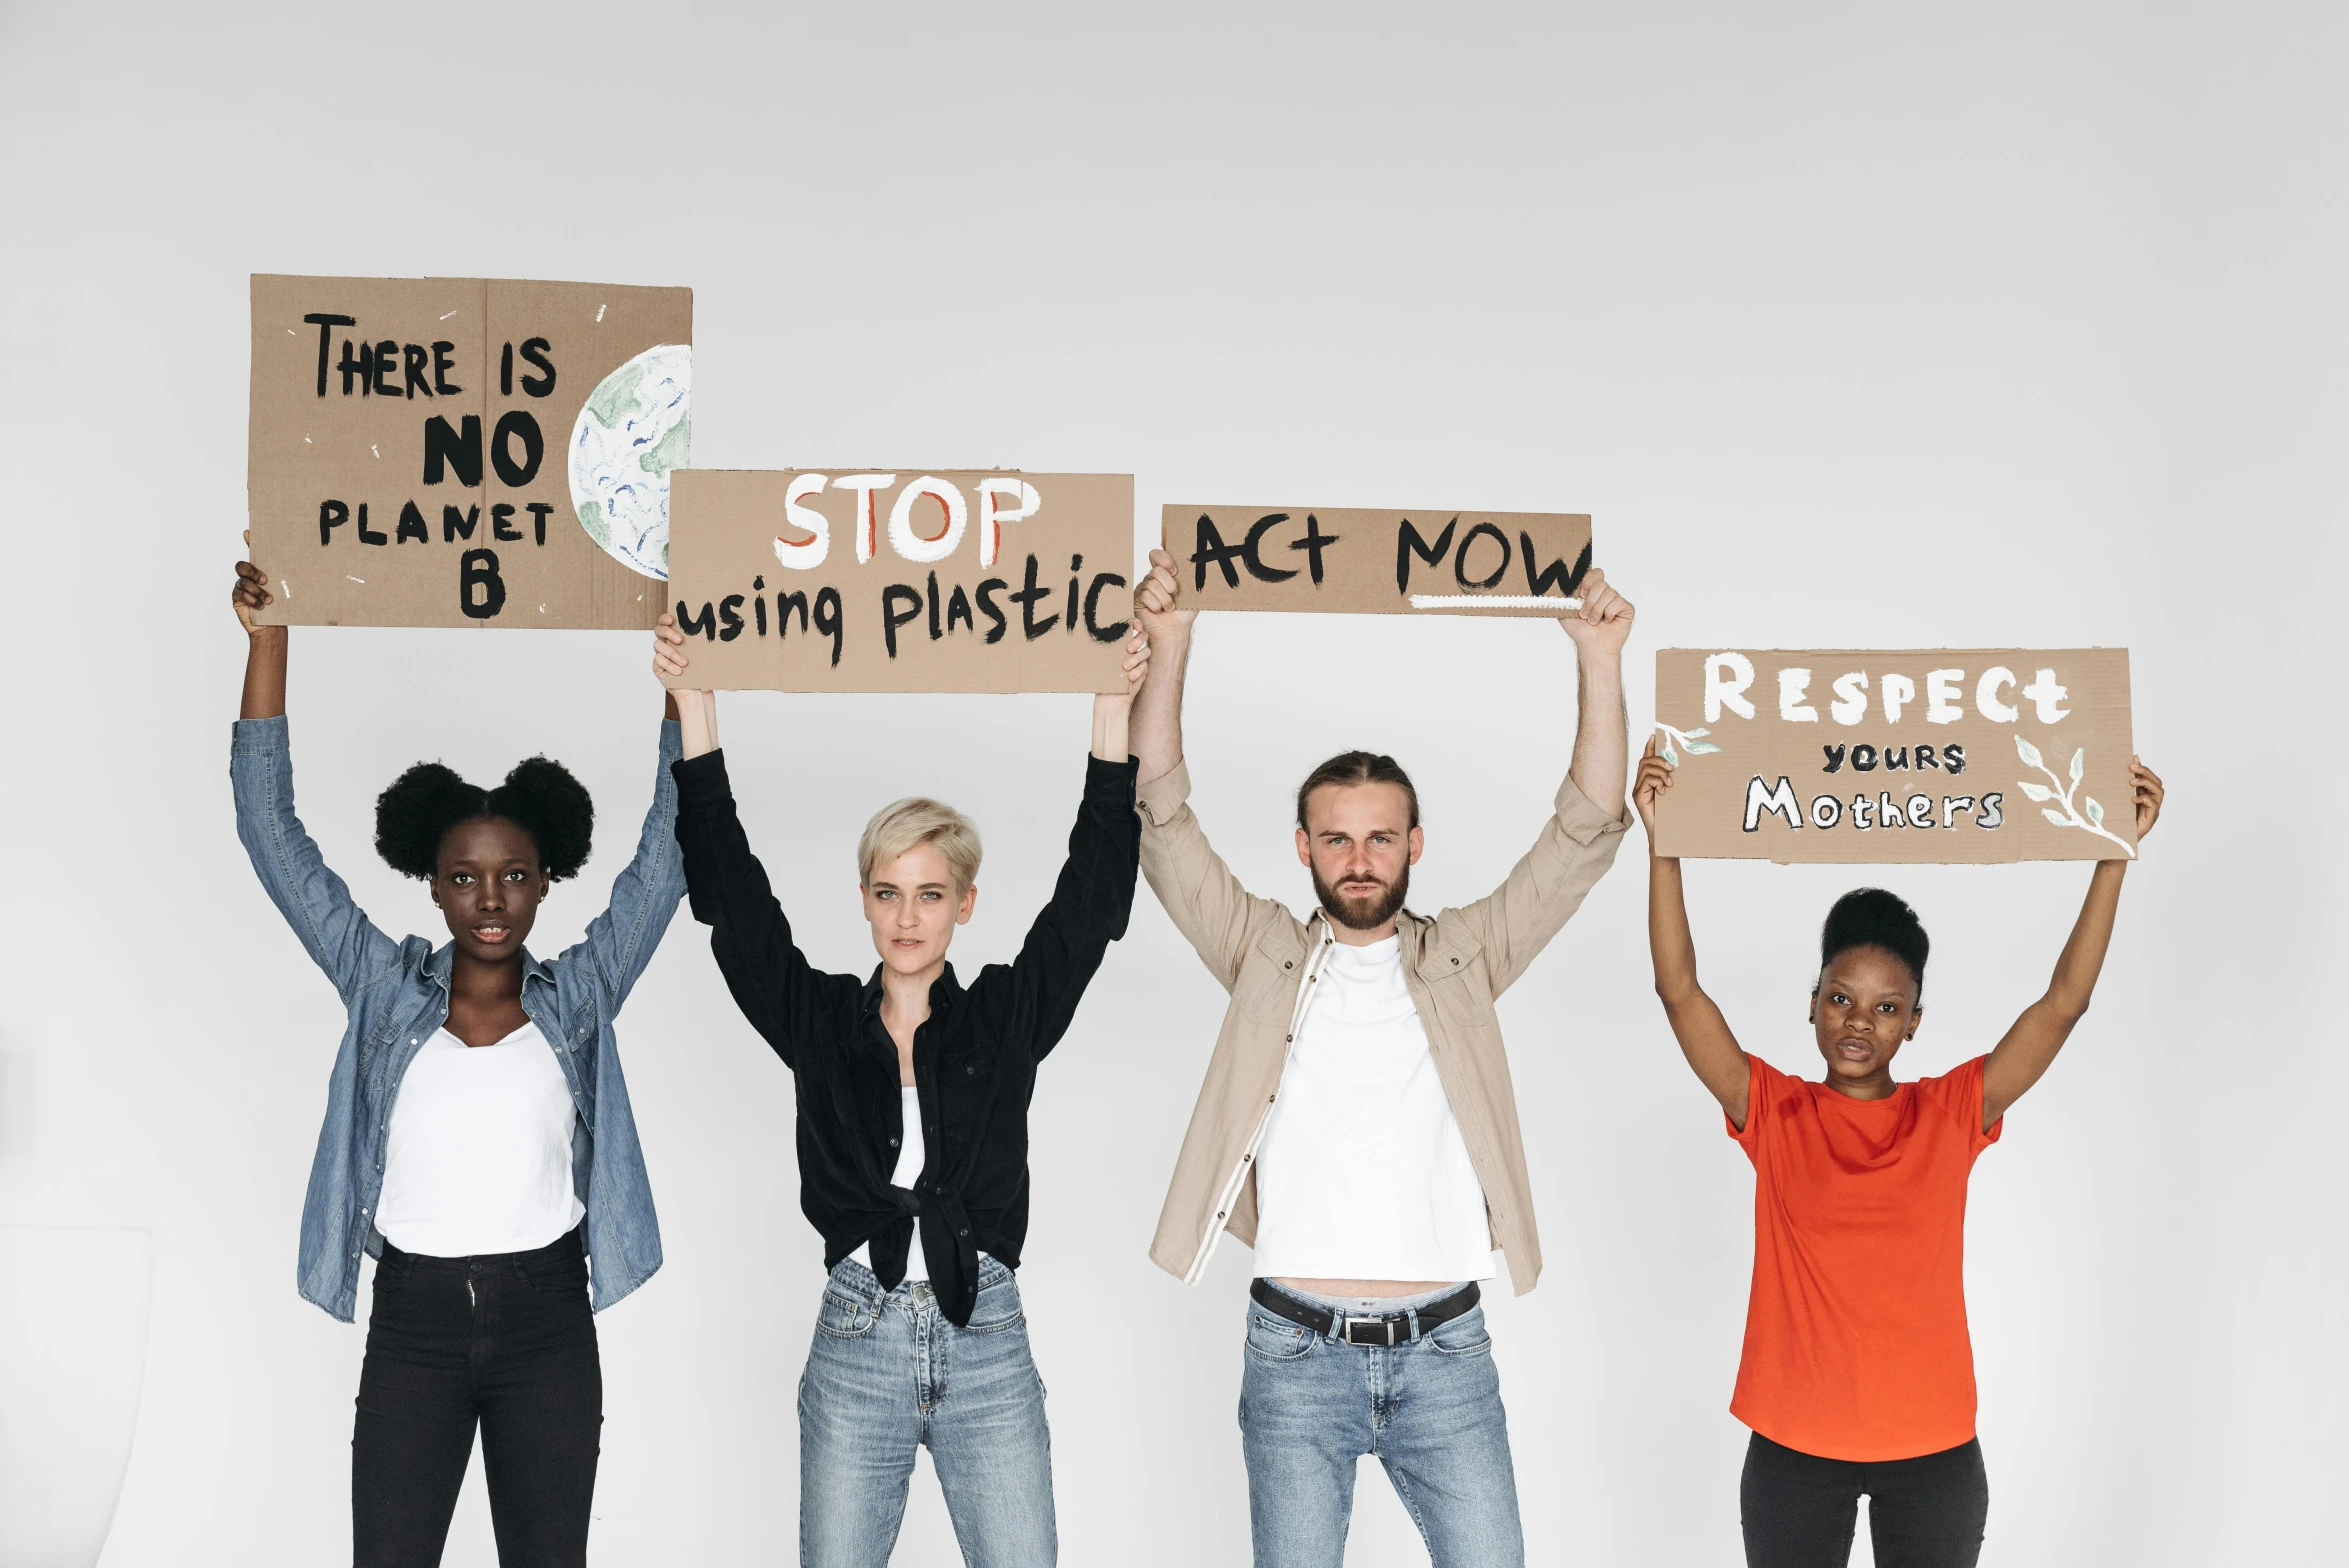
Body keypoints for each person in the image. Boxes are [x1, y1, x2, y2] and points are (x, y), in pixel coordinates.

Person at [1125, 547, 1634, 1567]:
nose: (1361, 856)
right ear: (1305, 846)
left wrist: (1599, 658)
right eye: (1339, 837)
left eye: (1381, 837)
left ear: (1416, 843)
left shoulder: (1467, 955)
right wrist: (1173, 644)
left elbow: (1581, 835)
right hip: (1293, 1350)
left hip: (1446, 1349)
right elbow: (1162, 821)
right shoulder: (1260, 947)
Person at [653, 613, 1149, 1567]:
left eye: (929, 895)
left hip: (987, 1336)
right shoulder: (822, 1023)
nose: (907, 916)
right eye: (887, 892)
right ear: (865, 900)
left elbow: (1090, 902)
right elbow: (734, 905)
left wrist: (1109, 713)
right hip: (856, 1337)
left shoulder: (1004, 1017)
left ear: (964, 904)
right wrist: (696, 709)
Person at [227, 557, 692, 1567]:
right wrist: (271, 639)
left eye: (515, 875)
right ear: (432, 886)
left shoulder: (581, 996)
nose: (492, 898)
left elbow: (669, 852)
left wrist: (681, 686)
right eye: (467, 877)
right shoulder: (381, 985)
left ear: (545, 883)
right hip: (414, 1327)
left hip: (548, 1327)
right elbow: (272, 833)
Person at [1633, 736, 2166, 1567]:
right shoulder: (1770, 1109)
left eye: (1886, 1008)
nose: (1857, 1022)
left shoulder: (1950, 1112)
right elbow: (1678, 990)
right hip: (1793, 1452)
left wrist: (2113, 855)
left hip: (1935, 1458)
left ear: (1913, 1021)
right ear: (1811, 1003)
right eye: (1841, 998)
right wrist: (1662, 842)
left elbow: (2064, 1003)